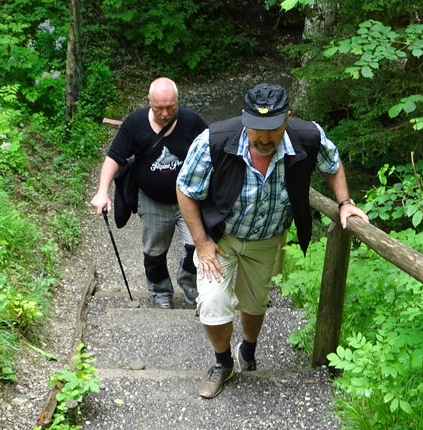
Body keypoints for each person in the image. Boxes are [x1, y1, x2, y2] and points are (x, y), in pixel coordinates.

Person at [176, 81, 370, 398]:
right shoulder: (214, 140)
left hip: (267, 239)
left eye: (272, 129)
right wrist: (200, 242)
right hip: (220, 238)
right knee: (213, 302)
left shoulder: (307, 136)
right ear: (244, 118)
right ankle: (222, 363)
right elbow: (185, 188)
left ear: (287, 118)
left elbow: (332, 165)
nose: (264, 138)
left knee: (255, 304)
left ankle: (248, 350)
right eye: (257, 129)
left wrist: (345, 203)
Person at [90, 77, 207, 308]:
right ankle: (160, 291)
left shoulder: (191, 122)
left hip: (188, 199)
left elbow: (211, 150)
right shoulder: (135, 123)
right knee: (154, 252)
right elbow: (114, 157)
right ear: (149, 102)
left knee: (198, 245)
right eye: (159, 108)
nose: (165, 113)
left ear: (177, 101)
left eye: (170, 107)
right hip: (152, 200)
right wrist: (102, 192)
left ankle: (191, 285)